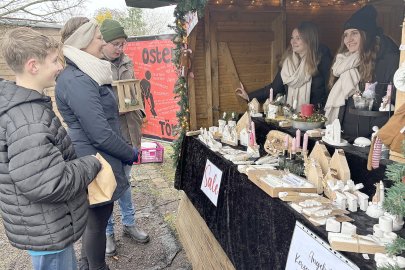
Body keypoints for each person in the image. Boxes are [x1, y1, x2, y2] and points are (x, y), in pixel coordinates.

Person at [0, 27, 102, 270]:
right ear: (33, 66)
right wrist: (91, 163)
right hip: (47, 229)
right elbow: (48, 182)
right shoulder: (30, 119)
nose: (59, 67)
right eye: (54, 60)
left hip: (43, 225)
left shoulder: (25, 107)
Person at [55, 17, 138, 270]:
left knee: (94, 219)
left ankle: (85, 263)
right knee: (97, 220)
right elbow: (99, 133)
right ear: (82, 41)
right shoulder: (78, 79)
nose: (103, 42)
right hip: (95, 159)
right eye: (99, 38)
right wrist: (130, 153)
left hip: (97, 157)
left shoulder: (84, 73)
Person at [100, 19, 150, 257]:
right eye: (115, 44)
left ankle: (129, 224)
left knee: (126, 183)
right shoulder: (96, 66)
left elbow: (133, 92)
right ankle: (107, 231)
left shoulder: (127, 62)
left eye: (122, 44)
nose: (120, 49)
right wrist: (113, 109)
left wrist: (137, 109)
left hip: (129, 132)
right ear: (103, 43)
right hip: (110, 136)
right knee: (109, 185)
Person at [324, 4, 399, 138]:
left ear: (366, 35)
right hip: (342, 134)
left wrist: (374, 136)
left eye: (355, 33)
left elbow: (391, 104)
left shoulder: (387, 60)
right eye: (346, 35)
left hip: (369, 139)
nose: (348, 40)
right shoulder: (344, 61)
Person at [235, 21, 332, 111]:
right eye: (292, 38)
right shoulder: (288, 63)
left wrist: (324, 112)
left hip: (316, 118)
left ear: (309, 40)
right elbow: (275, 87)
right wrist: (249, 96)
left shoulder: (322, 59)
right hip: (292, 115)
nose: (293, 42)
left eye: (298, 38)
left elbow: (330, 88)